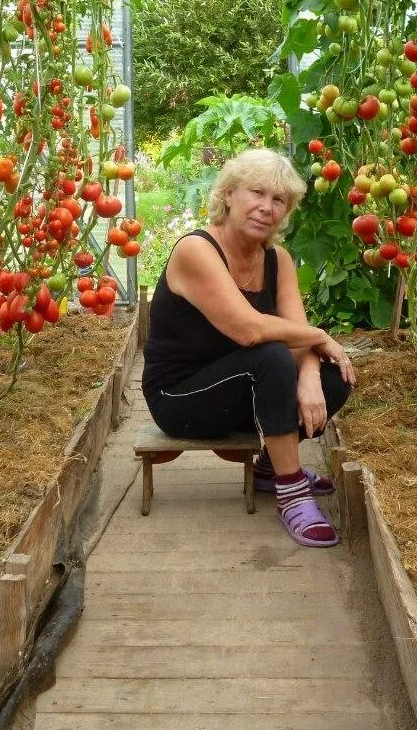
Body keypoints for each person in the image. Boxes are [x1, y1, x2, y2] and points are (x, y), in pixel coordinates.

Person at [142, 148, 356, 547]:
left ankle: (268, 468)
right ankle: (290, 490)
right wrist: (320, 336)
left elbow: (297, 331)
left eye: (279, 200)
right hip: (180, 397)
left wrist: (310, 373)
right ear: (228, 194)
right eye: (257, 193)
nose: (266, 208)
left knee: (334, 377)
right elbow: (249, 331)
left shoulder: (278, 260)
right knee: (272, 355)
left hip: (241, 385)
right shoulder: (197, 250)